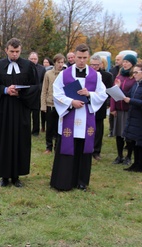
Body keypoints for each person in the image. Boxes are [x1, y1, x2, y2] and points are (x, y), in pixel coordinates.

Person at [50, 44, 107, 192]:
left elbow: (102, 94)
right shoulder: (64, 74)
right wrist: (71, 102)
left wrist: (89, 94)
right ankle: (64, 181)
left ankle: (81, 181)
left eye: (84, 58)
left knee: (84, 150)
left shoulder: (96, 76)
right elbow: (56, 93)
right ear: (74, 57)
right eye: (79, 57)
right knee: (67, 149)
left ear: (88, 57)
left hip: (86, 118)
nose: (81, 61)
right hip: (69, 116)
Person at [0, 38, 40, 187]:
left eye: (17, 51)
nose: (15, 54)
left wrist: (21, 93)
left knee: (19, 141)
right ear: (6, 50)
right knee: (3, 141)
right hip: (3, 110)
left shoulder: (29, 66)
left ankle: (16, 176)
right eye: (12, 51)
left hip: (20, 110)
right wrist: (5, 90)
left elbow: (35, 87)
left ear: (21, 50)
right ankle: (4, 176)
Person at [110, 54, 137, 166]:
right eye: (124, 61)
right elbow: (113, 92)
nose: (125, 64)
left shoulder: (134, 78)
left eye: (128, 62)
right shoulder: (119, 76)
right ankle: (119, 155)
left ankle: (128, 156)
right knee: (118, 134)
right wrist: (112, 107)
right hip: (118, 109)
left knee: (128, 135)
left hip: (128, 110)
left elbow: (133, 93)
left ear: (132, 64)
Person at [41, 53, 65, 154]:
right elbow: (44, 90)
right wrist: (43, 105)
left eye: (62, 62)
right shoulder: (48, 74)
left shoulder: (65, 74)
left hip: (61, 104)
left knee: (59, 128)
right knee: (50, 127)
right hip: (50, 104)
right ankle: (49, 147)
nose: (60, 64)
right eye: (58, 62)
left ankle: (57, 147)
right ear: (54, 63)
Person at [122, 63, 142, 172]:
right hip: (133, 116)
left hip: (141, 117)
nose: (134, 75)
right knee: (134, 141)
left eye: (136, 72)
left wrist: (131, 101)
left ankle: (141, 165)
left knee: (140, 142)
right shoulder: (136, 84)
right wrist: (118, 90)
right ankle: (135, 164)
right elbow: (128, 95)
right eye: (133, 72)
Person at [90, 55, 113, 160]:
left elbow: (108, 92)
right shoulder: (87, 74)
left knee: (98, 129)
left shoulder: (107, 76)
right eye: (92, 65)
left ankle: (96, 151)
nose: (94, 67)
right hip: (88, 104)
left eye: (96, 65)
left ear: (100, 65)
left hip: (100, 105)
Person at [28, 52, 46, 136]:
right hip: (27, 94)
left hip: (37, 94)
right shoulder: (25, 67)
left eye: (35, 59)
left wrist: (38, 88)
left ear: (37, 59)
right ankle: (26, 130)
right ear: (28, 59)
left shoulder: (42, 69)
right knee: (26, 114)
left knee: (36, 114)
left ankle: (35, 131)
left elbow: (44, 82)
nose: (33, 60)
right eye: (31, 59)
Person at [108, 54, 123, 137]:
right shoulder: (112, 70)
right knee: (112, 115)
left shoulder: (125, 72)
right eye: (116, 59)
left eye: (118, 59)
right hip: (113, 92)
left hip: (122, 95)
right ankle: (112, 130)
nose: (116, 61)